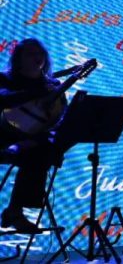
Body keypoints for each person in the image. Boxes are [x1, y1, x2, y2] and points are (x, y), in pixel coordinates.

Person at [0, 38, 71, 234]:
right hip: (4, 136)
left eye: (40, 54)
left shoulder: (52, 84)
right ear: (19, 58)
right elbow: (4, 99)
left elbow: (59, 117)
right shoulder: (5, 79)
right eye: (31, 54)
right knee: (39, 153)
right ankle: (15, 212)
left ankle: (15, 210)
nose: (37, 58)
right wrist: (37, 91)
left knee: (44, 150)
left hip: (35, 142)